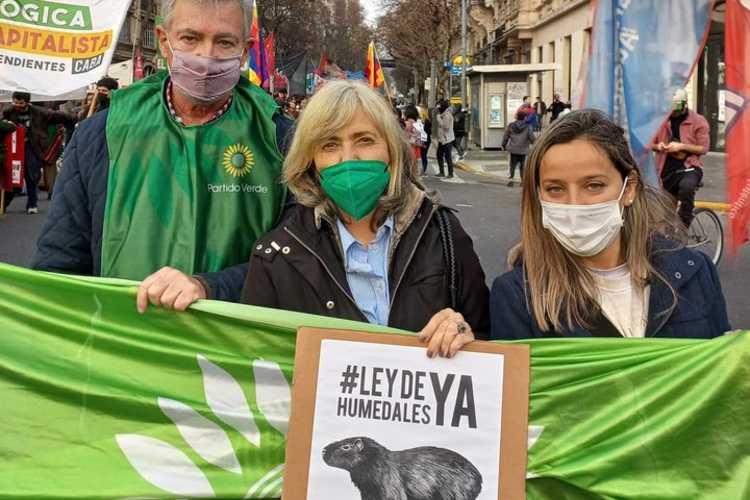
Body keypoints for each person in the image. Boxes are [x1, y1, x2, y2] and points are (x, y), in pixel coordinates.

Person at [145, 81, 491, 355]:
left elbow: (489, 346)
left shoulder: (443, 235)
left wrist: (464, 334)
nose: (347, 158)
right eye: (329, 145)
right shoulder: (278, 256)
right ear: (310, 162)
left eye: (364, 140)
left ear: (391, 150)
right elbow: (259, 370)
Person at [32, 0, 293, 308]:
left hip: (234, 350)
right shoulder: (101, 134)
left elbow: (297, 260)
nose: (205, 56)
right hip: (122, 343)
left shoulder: (282, 139)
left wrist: (211, 287)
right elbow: (59, 264)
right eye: (190, 38)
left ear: (245, 51)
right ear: (163, 41)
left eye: (224, 42)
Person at [490, 109, 730, 340]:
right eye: (555, 188)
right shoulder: (517, 297)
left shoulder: (696, 272)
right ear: (539, 195)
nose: (576, 204)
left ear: (630, 189)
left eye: (594, 185)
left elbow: (720, 369)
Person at [2, 92, 76, 214]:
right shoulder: (8, 112)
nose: (17, 105)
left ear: (27, 102)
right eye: (15, 102)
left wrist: (74, 118)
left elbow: (57, 116)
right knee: (12, 175)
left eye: (20, 103)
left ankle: (32, 203)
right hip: (14, 148)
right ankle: (4, 204)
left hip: (33, 147)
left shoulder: (39, 112)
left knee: (32, 175)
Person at [652, 88, 710, 228]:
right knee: (666, 213)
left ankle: (684, 224)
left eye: (676, 108)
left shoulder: (698, 121)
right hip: (666, 169)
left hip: (689, 168)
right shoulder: (662, 120)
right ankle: (672, 238)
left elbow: (703, 148)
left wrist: (682, 146)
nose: (673, 112)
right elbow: (650, 143)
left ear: (685, 104)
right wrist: (658, 146)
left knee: (686, 187)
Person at [501, 110, 535, 182]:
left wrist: (503, 145)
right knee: (522, 165)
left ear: (517, 117)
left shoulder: (511, 125)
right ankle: (522, 178)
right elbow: (531, 137)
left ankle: (511, 176)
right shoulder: (528, 126)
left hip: (513, 149)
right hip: (523, 149)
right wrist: (535, 144)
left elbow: (506, 136)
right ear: (524, 117)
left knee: (512, 164)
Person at [435, 99, 455, 178]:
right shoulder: (443, 114)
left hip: (447, 139)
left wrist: (439, 119)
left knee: (447, 156)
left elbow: (446, 127)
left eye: (439, 107)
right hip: (442, 139)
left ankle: (450, 173)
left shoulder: (447, 115)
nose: (438, 109)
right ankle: (442, 171)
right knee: (439, 155)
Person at [418, 105, 432, 175]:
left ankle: (423, 169)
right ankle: (423, 169)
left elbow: (426, 132)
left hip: (425, 140)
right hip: (425, 140)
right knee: (423, 155)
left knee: (423, 155)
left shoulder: (426, 122)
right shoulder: (426, 121)